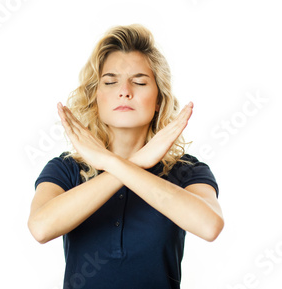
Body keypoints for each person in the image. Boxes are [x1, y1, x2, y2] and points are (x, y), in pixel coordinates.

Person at [27, 24, 224, 289]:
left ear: (158, 100)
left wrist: (111, 163)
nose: (125, 91)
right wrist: (133, 164)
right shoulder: (66, 168)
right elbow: (40, 228)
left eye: (140, 81)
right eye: (110, 82)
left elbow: (209, 226)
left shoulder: (186, 170)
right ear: (96, 96)